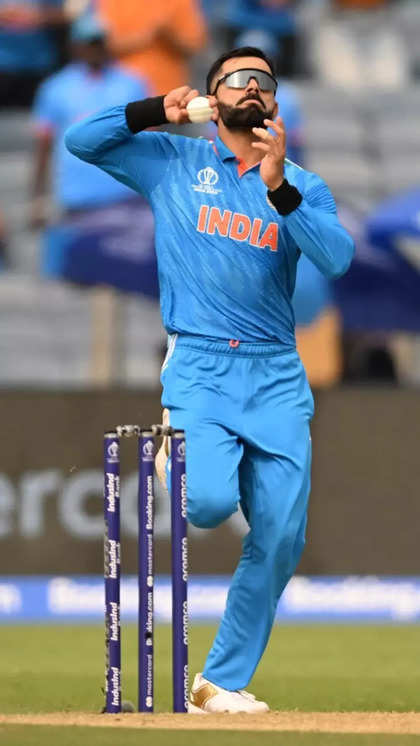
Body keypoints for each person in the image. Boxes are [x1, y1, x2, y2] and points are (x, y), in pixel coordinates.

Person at [65, 46, 354, 713]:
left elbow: (337, 258)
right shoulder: (173, 160)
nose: (253, 87)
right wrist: (154, 111)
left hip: (276, 373)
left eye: (264, 81)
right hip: (200, 363)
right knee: (207, 504)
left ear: (274, 103)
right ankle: (177, 449)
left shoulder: (302, 185)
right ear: (211, 96)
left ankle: (218, 682)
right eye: (238, 79)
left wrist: (279, 189)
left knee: (281, 537)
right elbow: (82, 141)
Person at [30, 12, 151, 224]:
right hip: (76, 198)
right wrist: (37, 198)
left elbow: (150, 138)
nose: (95, 49)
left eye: (98, 42)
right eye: (88, 43)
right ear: (74, 46)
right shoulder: (55, 87)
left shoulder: (132, 83)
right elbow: (44, 145)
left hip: (125, 196)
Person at [96, 0, 207, 94]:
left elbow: (193, 46)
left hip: (169, 93)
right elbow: (104, 45)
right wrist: (149, 35)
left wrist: (168, 35)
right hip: (124, 95)